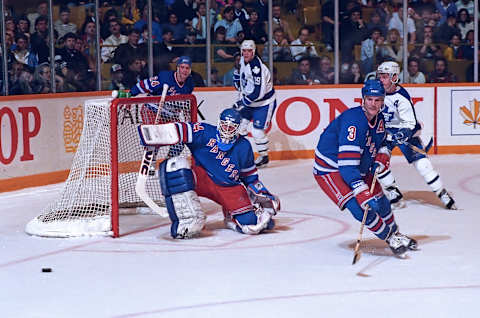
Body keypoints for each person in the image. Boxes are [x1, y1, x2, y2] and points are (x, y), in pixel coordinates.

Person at [137, 108, 279, 238]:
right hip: (202, 178)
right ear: (219, 123)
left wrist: (262, 192)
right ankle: (187, 220)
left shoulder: (244, 146)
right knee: (175, 167)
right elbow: (181, 129)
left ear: (238, 128)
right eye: (225, 125)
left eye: (231, 127)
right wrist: (155, 134)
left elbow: (249, 176)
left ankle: (232, 214)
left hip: (229, 188)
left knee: (251, 224)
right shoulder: (204, 131)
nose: (227, 130)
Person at [313, 79, 417, 257]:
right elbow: (346, 166)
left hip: (358, 166)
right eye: (369, 99)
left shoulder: (380, 120)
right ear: (363, 99)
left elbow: (382, 142)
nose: (373, 104)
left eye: (377, 100)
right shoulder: (354, 122)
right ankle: (389, 238)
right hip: (330, 169)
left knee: (381, 202)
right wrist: (360, 190)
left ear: (382, 101)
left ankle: (396, 234)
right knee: (359, 208)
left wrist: (384, 153)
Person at [376, 61, 456, 209]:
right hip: (384, 133)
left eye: (385, 76)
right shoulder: (376, 92)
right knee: (378, 163)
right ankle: (394, 195)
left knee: (423, 165)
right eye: (380, 76)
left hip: (403, 132)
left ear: (394, 77)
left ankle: (442, 193)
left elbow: (411, 124)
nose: (381, 80)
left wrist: (402, 134)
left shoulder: (402, 97)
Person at [233, 40, 276, 168]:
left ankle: (263, 156)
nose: (246, 53)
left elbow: (259, 92)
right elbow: (243, 83)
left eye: (249, 51)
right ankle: (244, 154)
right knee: (240, 127)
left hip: (264, 103)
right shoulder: (242, 61)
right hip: (250, 102)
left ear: (254, 51)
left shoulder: (257, 68)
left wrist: (242, 102)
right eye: (244, 51)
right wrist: (237, 79)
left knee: (257, 132)